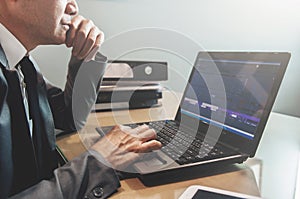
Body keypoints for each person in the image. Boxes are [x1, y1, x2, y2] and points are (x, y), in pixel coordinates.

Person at [0, 0, 161, 198]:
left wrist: (86, 58)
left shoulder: (21, 62)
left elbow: (66, 116)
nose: (73, 8)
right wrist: (98, 162)